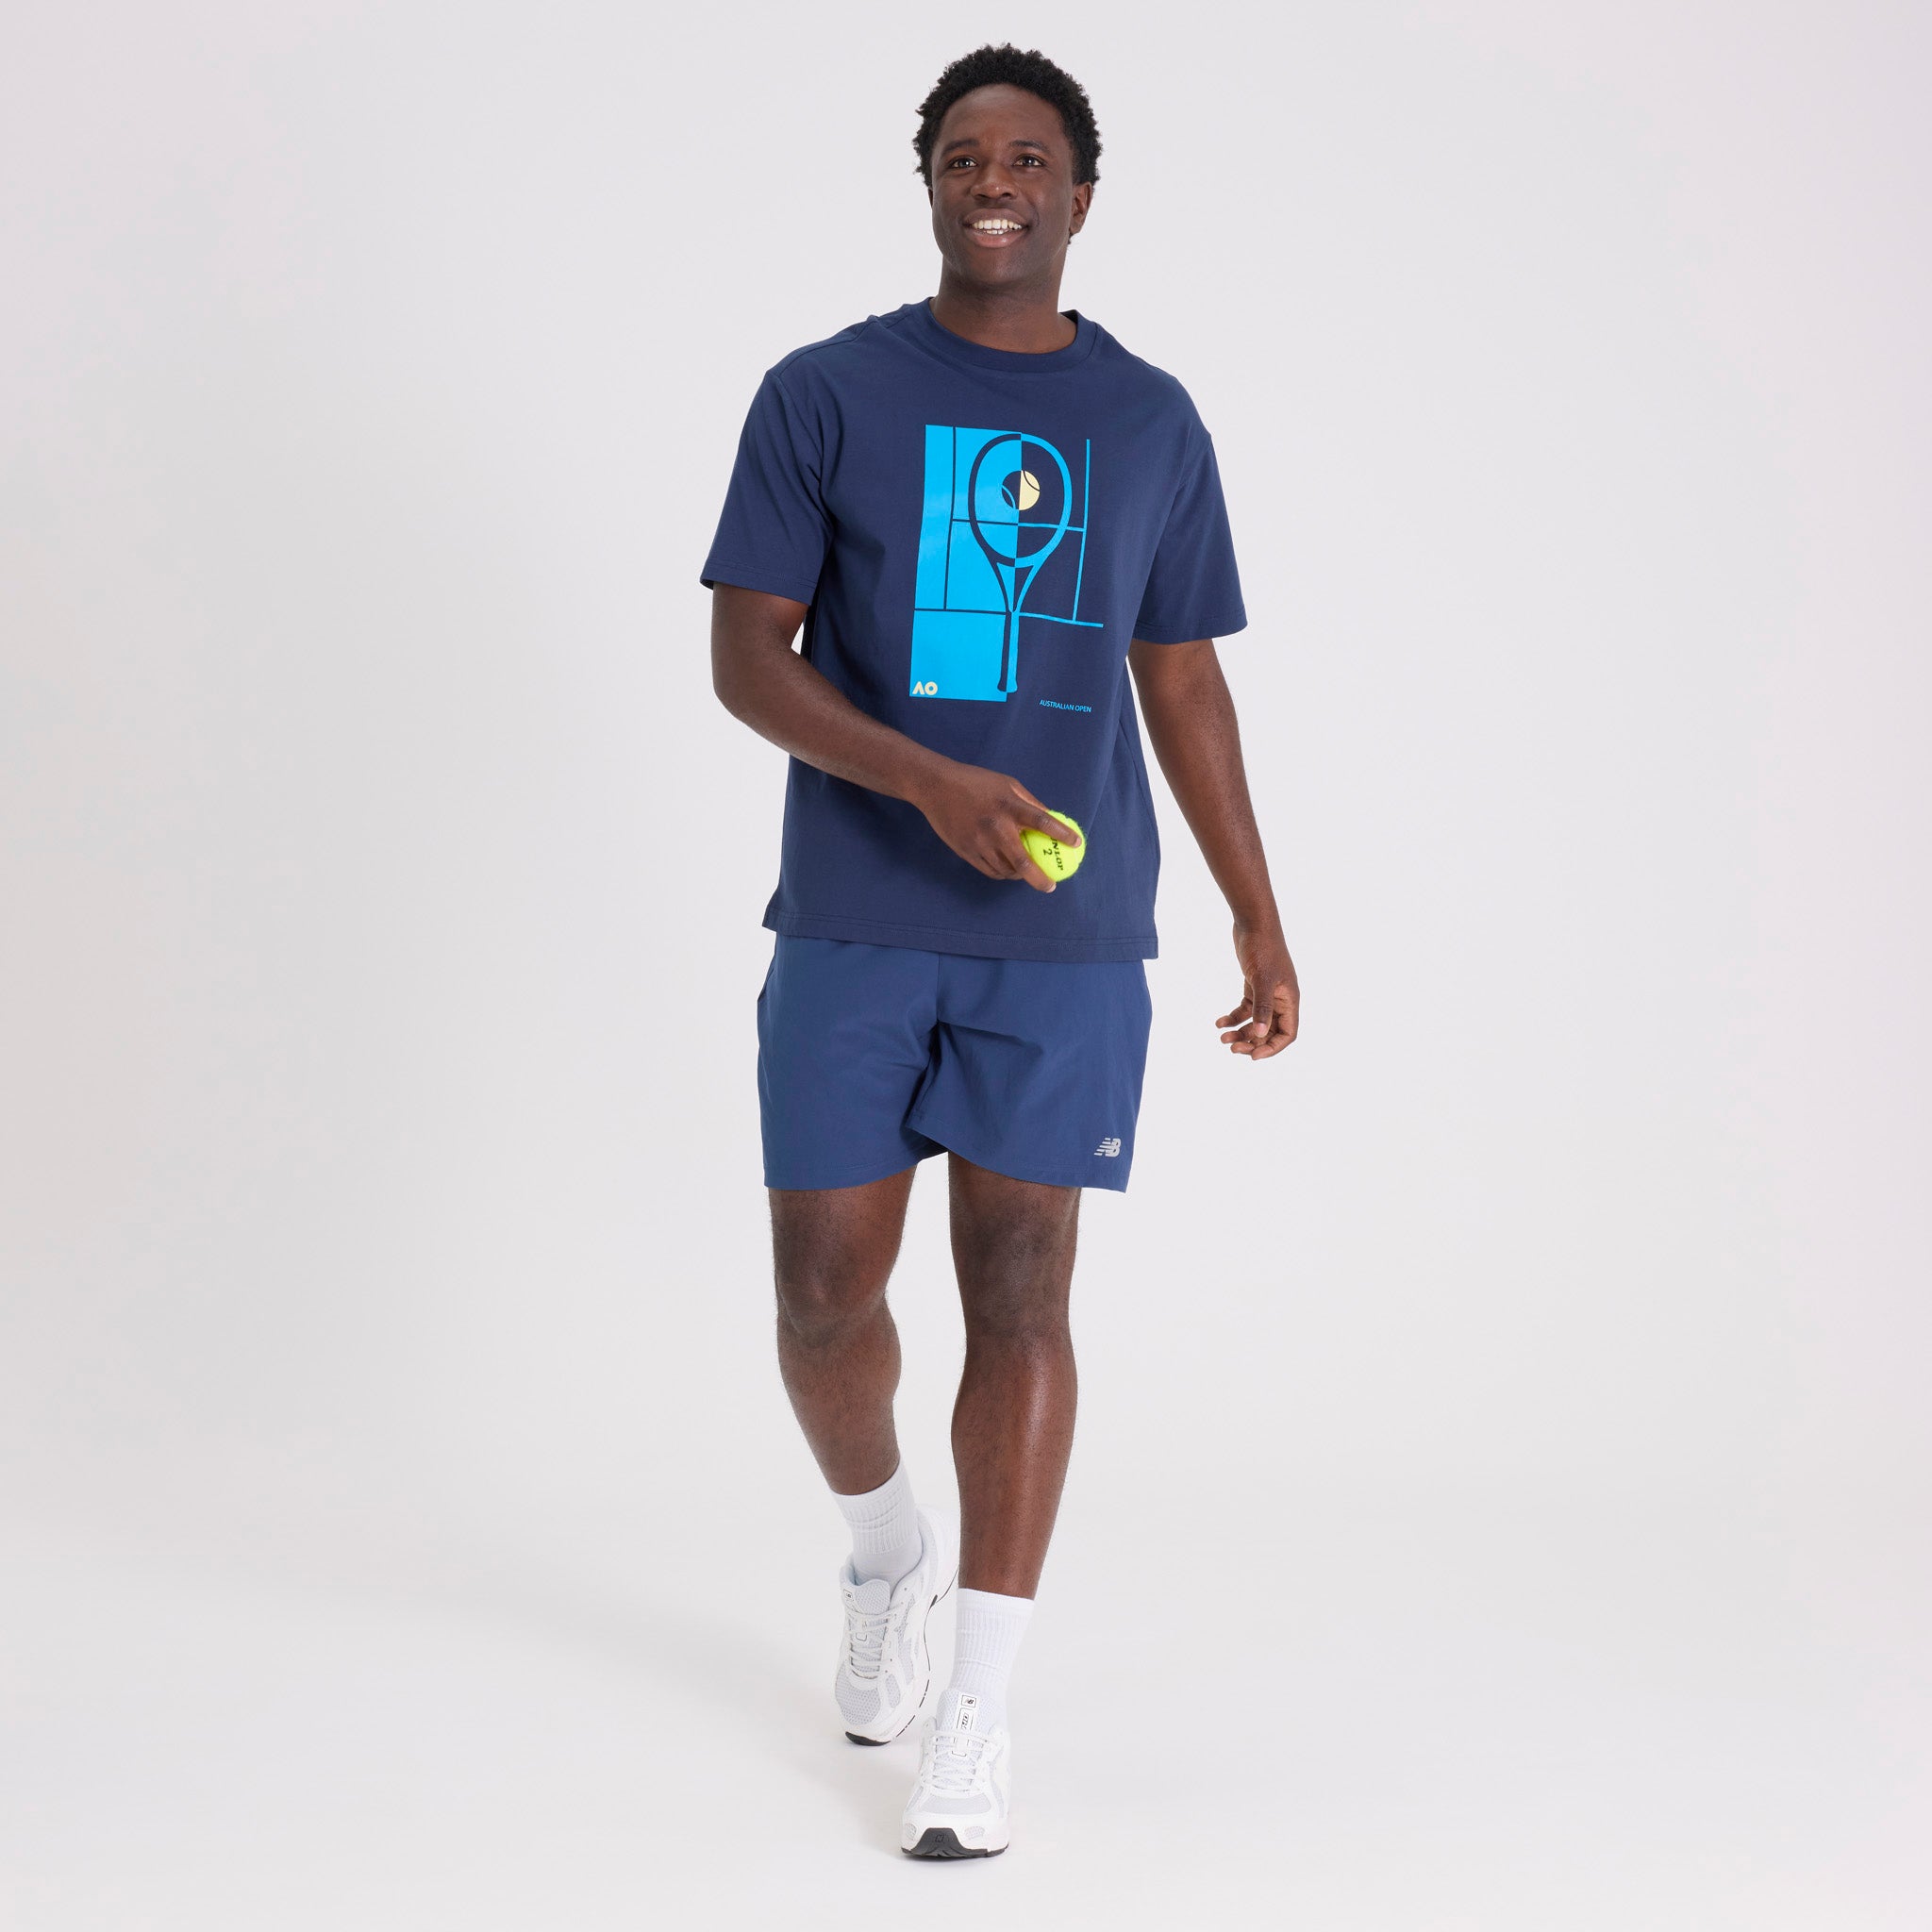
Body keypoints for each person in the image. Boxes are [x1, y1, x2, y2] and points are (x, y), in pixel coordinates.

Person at [702, 42, 1298, 1859]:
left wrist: (1255, 904)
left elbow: (1180, 675)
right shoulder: (825, 392)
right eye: (966, 154)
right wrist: (928, 782)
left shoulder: (1152, 421)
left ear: (1080, 197)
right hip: (856, 917)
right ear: (932, 186)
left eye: (1029, 157)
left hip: (1064, 940)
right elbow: (746, 659)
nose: (996, 179)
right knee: (824, 1299)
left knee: (1024, 1290)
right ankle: (886, 1551)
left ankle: (978, 1707)